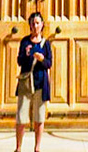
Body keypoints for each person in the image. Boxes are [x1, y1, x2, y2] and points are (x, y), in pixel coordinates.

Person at [14, 11, 54, 152]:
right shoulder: (25, 42)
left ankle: (37, 147)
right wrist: (28, 55)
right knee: (21, 116)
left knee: (39, 116)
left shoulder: (46, 44)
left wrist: (42, 59)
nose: (35, 26)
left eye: (37, 23)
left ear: (42, 25)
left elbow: (49, 63)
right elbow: (19, 61)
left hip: (40, 82)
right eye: (32, 23)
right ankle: (18, 147)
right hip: (26, 82)